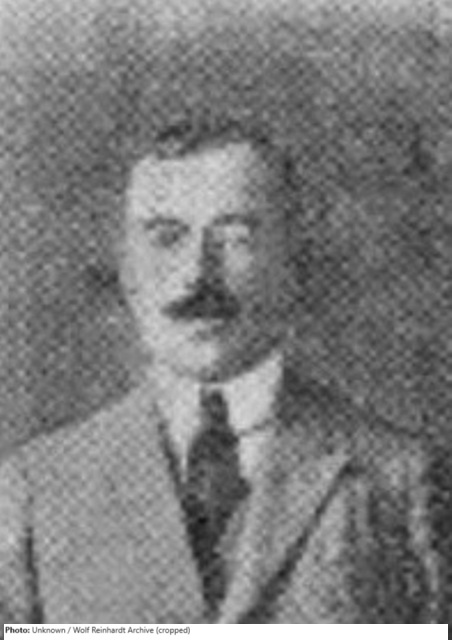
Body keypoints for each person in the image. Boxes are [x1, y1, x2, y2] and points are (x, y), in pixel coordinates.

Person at [0, 119, 442, 624]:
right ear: (126, 270)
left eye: (236, 237)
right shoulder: (35, 489)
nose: (197, 275)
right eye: (166, 238)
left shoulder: (402, 479)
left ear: (293, 262)